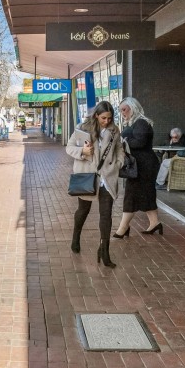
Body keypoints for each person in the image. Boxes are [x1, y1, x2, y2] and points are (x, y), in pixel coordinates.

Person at [65, 101, 124, 267]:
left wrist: (118, 163)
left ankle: (104, 251)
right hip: (88, 175)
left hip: (107, 177)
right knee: (83, 210)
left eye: (109, 118)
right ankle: (76, 236)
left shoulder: (114, 130)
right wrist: (82, 151)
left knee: (106, 215)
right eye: (103, 118)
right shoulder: (83, 128)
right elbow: (69, 147)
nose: (107, 121)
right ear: (96, 115)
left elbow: (119, 148)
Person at [114, 97, 163, 237]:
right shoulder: (135, 123)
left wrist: (123, 142)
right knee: (146, 193)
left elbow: (140, 142)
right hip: (140, 165)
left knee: (131, 194)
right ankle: (155, 223)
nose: (122, 113)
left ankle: (123, 228)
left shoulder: (141, 123)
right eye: (120, 110)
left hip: (144, 166)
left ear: (133, 107)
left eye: (124, 109)